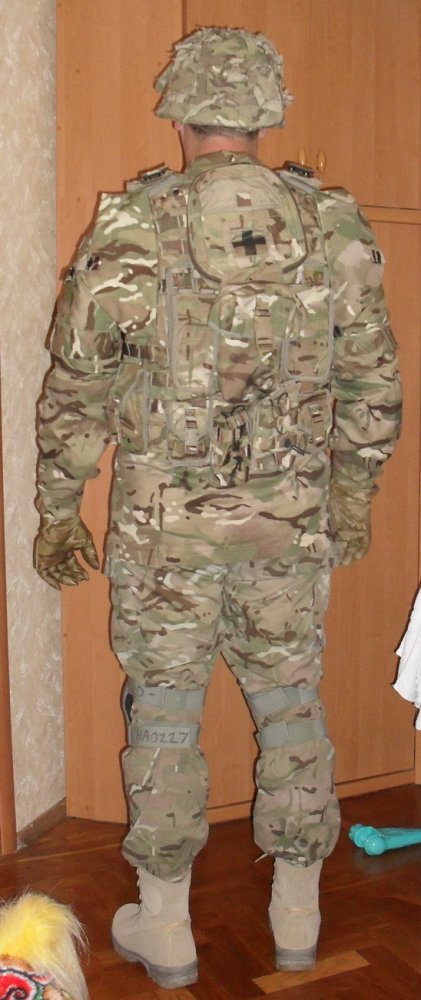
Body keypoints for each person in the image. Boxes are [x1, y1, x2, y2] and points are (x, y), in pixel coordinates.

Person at [34, 27, 402, 991]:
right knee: (289, 703)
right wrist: (351, 496)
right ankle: (297, 913)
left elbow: (76, 389)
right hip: (289, 524)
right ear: (268, 113)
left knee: (162, 712)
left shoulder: (132, 225)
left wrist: (58, 509)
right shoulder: (331, 225)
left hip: (165, 533)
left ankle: (166, 928)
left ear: (180, 112)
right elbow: (373, 387)